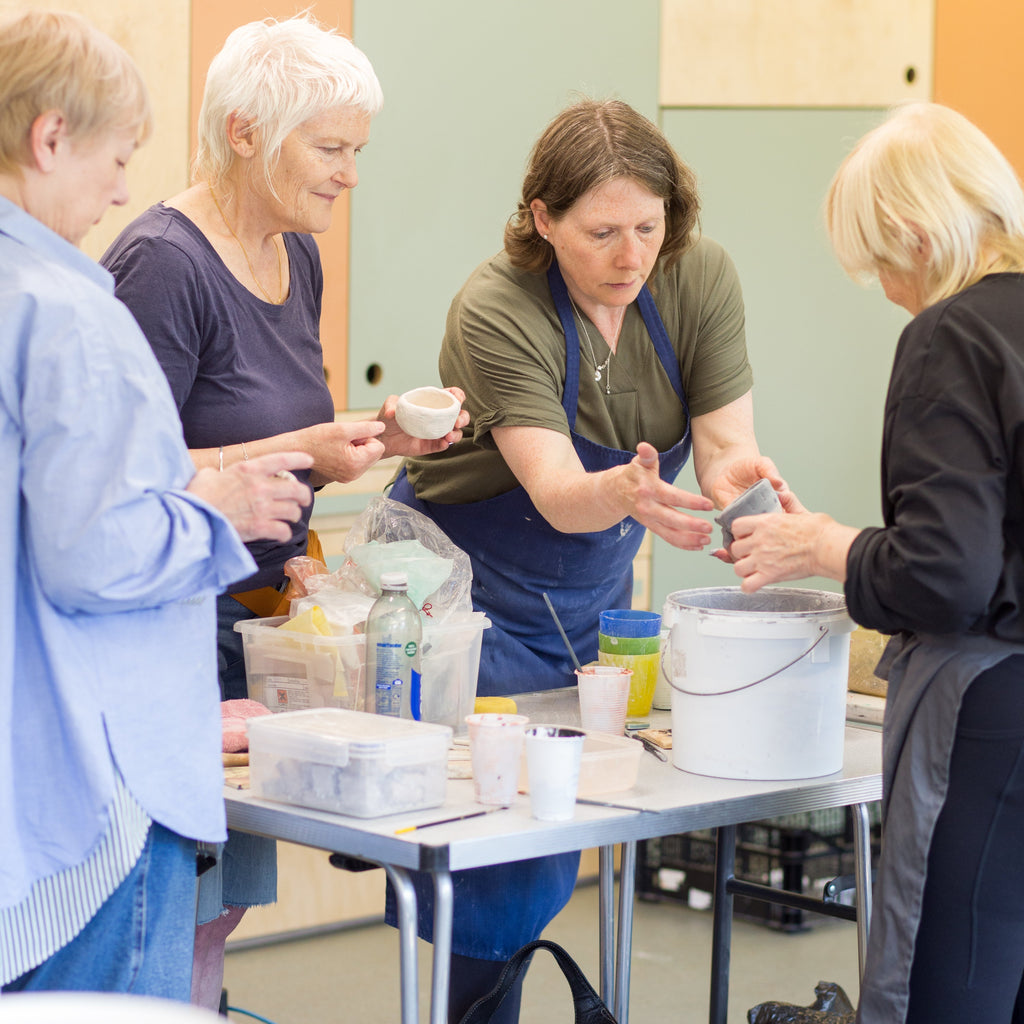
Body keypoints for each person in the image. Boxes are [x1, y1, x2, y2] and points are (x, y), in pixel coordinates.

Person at [390, 98, 791, 1022]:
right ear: (544, 219)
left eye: (647, 227)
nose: (630, 257)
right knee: (494, 843)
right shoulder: (497, 306)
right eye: (601, 231)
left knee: (567, 817)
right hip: (465, 591)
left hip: (585, 593)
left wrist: (750, 501)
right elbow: (561, 490)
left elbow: (726, 443)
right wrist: (628, 495)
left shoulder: (699, 277)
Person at [100, 14, 468, 1008]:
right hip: (169, 642)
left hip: (257, 631)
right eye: (331, 147)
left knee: (218, 910)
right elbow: (120, 477)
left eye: (357, 150)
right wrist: (301, 446)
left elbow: (276, 457)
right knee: (164, 912)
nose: (350, 173)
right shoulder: (164, 265)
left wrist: (362, 446)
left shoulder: (294, 255)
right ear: (248, 132)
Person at [0, 9, 312, 999]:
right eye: (118, 157)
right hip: (96, 799)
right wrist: (209, 502)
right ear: (50, 137)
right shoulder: (66, 307)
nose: (125, 191)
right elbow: (95, 554)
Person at [728, 102, 1024, 1023]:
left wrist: (823, 543)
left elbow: (946, 576)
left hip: (991, 710)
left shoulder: (951, 334)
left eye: (880, 267)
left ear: (912, 232)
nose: (891, 292)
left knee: (946, 986)